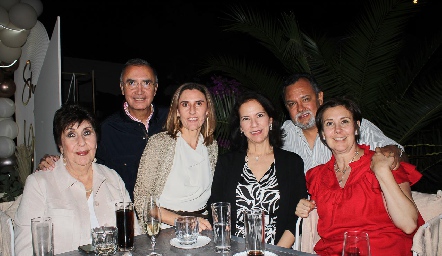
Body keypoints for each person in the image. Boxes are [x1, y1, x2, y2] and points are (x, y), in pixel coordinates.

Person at [295, 96, 424, 255]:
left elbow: (409, 224)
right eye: (329, 124)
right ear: (322, 133)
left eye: (344, 121)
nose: (337, 130)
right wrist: (303, 205)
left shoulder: (383, 161)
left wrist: (382, 171)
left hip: (382, 250)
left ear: (357, 127)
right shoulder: (317, 175)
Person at [14, 104, 142, 255]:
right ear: (60, 145)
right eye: (71, 134)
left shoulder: (112, 178)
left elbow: (136, 237)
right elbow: (24, 250)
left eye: (87, 132)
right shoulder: (40, 184)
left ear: (96, 138)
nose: (81, 142)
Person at [37, 58, 168, 200]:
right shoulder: (106, 130)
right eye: (131, 83)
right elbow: (83, 161)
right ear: (122, 88)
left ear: (155, 88)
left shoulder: (173, 119)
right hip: (127, 214)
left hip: (172, 211)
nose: (139, 91)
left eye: (146, 83)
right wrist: (56, 162)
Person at [209, 91, 307, 248]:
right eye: (246, 119)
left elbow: (296, 218)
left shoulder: (292, 163)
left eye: (259, 115)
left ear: (270, 119)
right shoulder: (226, 163)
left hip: (276, 250)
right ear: (240, 127)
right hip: (234, 250)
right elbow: (216, 210)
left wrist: (275, 252)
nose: (254, 124)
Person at [281, 73, 407, 173]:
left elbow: (398, 155)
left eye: (306, 99)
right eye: (292, 104)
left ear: (319, 97)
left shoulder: (351, 126)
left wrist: (392, 152)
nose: (300, 108)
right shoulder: (282, 133)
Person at [133, 82, 218, 231]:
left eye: (198, 103)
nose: (192, 111)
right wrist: (183, 221)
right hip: (164, 230)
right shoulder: (159, 144)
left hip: (202, 229)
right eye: (185, 104)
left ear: (207, 110)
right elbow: (142, 201)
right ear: (177, 111)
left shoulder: (211, 146)